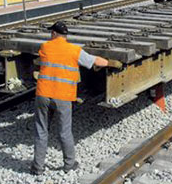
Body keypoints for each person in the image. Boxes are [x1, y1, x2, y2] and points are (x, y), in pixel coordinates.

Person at [31, 21, 122, 175]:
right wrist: (110, 63)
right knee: (64, 131)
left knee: (41, 130)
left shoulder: (45, 47)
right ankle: (69, 164)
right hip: (63, 96)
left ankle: (37, 167)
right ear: (65, 35)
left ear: (54, 34)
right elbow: (95, 61)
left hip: (43, 94)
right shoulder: (74, 50)